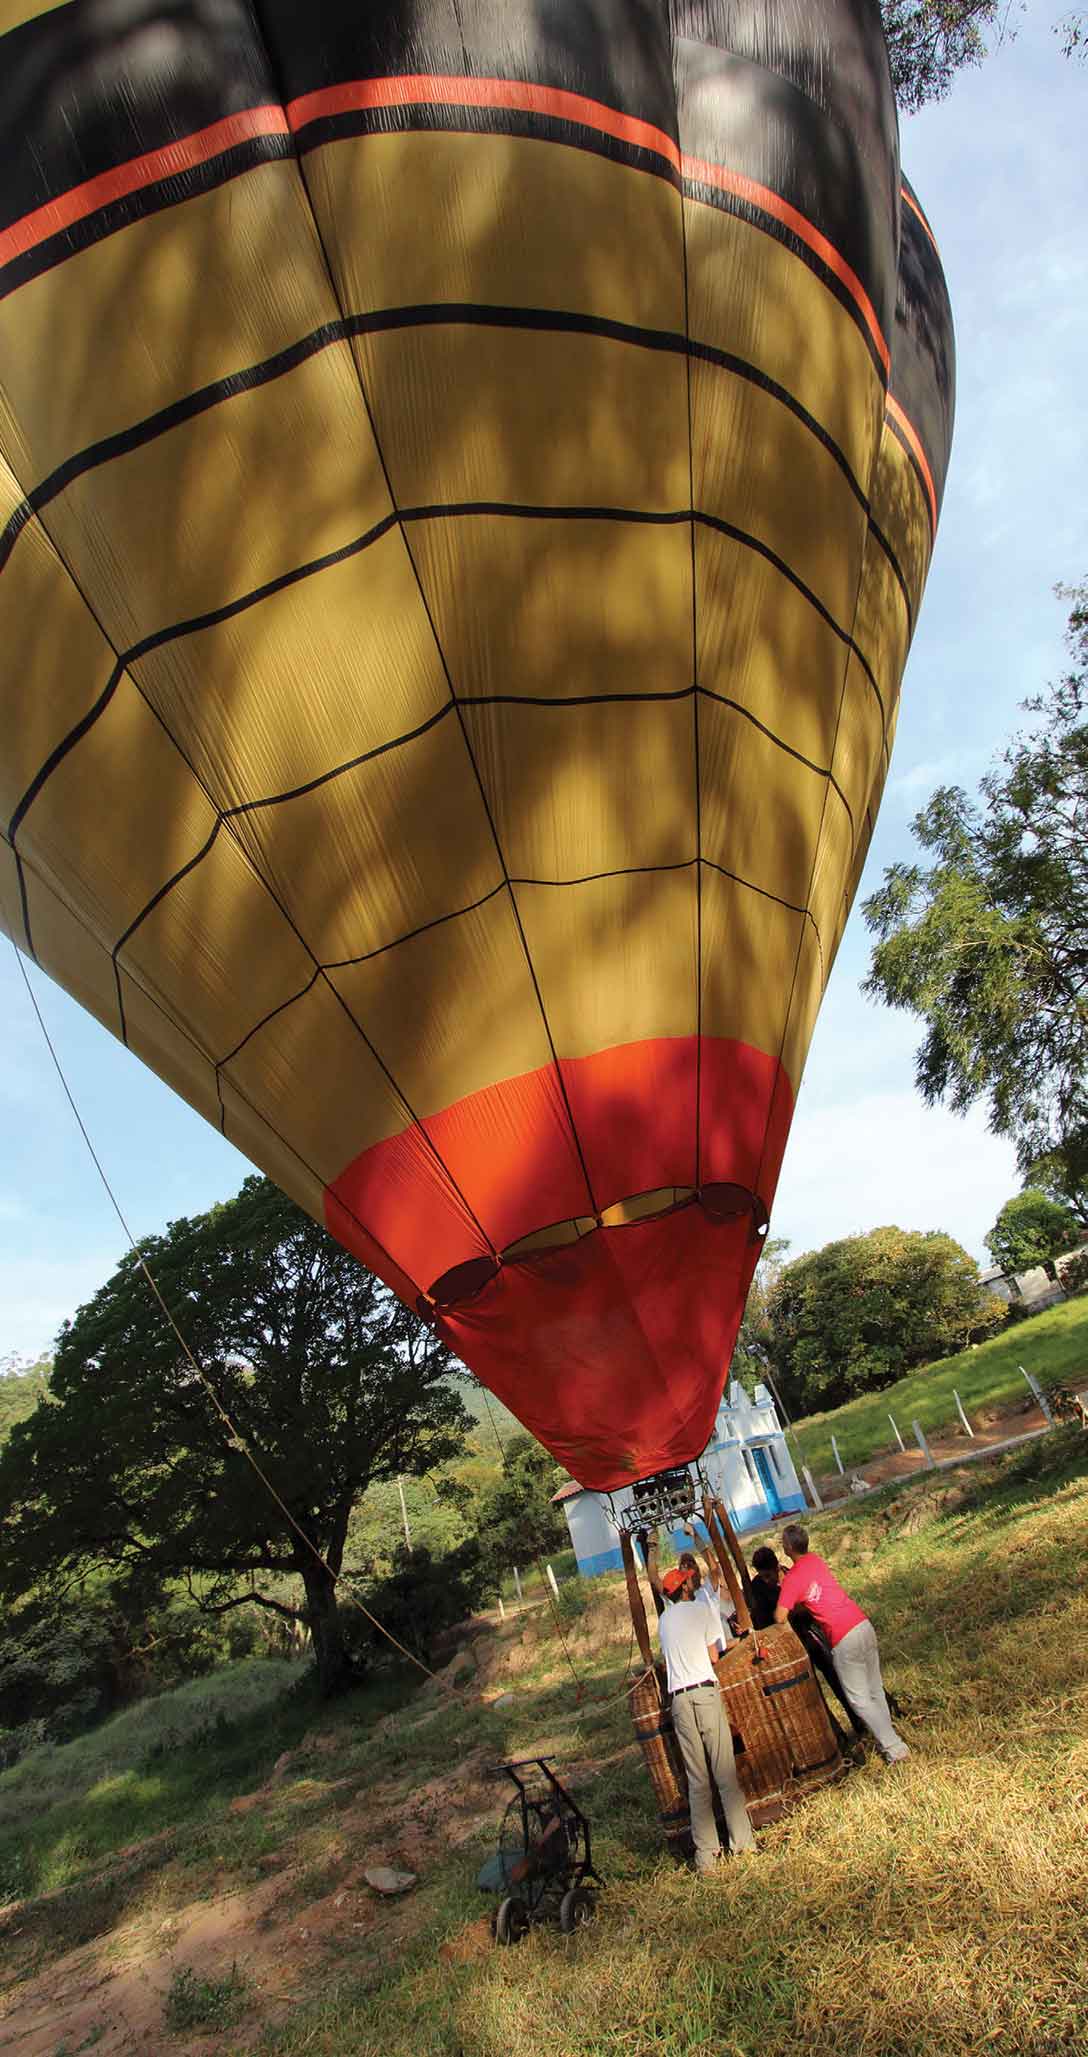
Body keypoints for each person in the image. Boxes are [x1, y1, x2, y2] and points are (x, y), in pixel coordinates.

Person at [774, 1523, 908, 1763]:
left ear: (788, 1548)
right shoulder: (815, 1561)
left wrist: (786, 1590)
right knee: (874, 1688)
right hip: (861, 1623)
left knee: (858, 1698)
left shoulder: (791, 1579)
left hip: (842, 1636)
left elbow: (780, 1616)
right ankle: (890, 1738)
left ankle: (894, 1747)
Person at [657, 1562, 755, 1871]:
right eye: (688, 1581)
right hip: (704, 1691)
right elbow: (715, 1655)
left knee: (697, 1780)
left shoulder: (662, 1620)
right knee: (724, 1772)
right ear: (685, 1588)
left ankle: (706, 1856)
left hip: (679, 1701)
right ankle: (743, 1845)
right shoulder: (702, 1610)